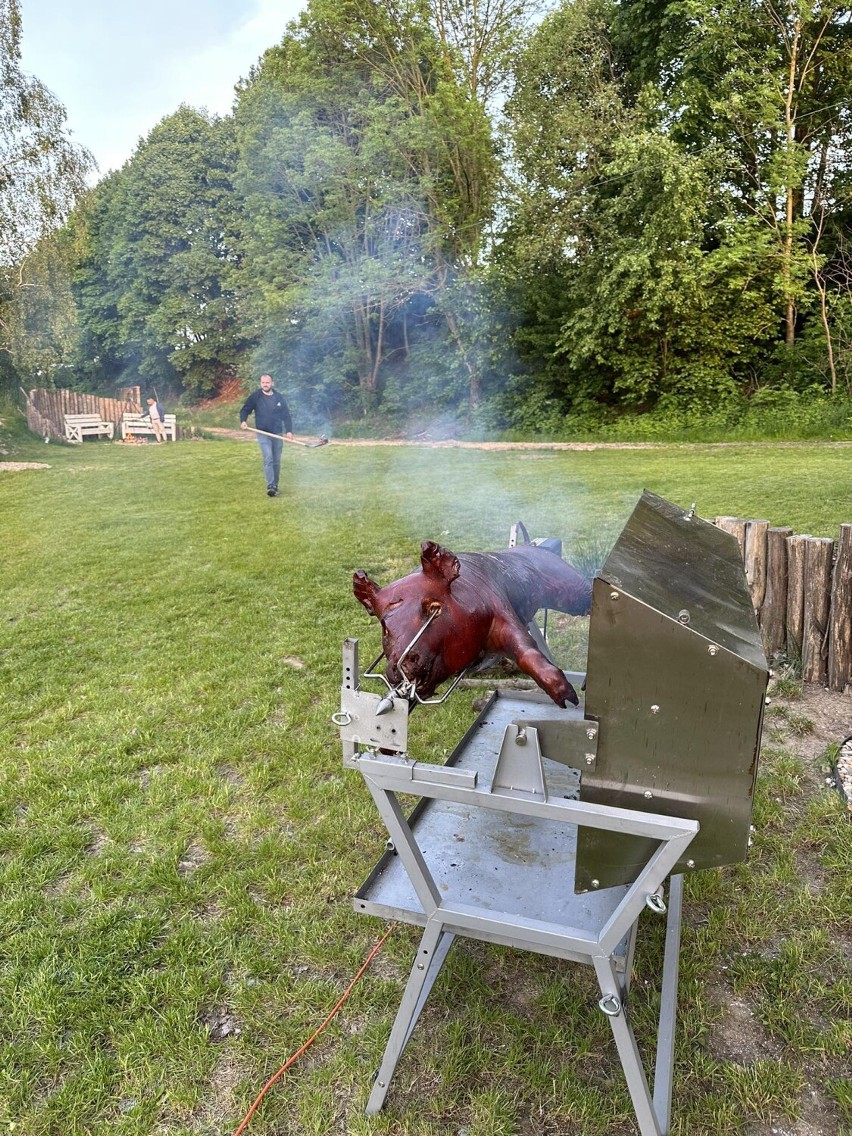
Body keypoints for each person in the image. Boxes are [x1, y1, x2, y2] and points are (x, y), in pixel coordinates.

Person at [239, 374, 293, 497]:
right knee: (268, 458)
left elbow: (286, 416)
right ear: (260, 383)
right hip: (263, 433)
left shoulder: (279, 398)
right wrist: (243, 421)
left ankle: (275, 486)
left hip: (277, 434)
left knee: (276, 461)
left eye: (267, 382)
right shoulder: (256, 397)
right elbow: (245, 409)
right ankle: (270, 485)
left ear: (272, 383)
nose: (265, 384)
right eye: (263, 382)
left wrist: (289, 431)